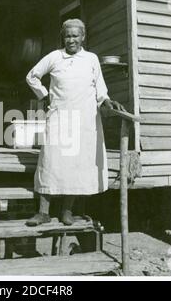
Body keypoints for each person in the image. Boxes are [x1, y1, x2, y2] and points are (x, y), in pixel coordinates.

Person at [25, 18, 125, 226]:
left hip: (84, 119)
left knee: (75, 164)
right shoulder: (54, 56)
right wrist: (44, 96)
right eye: (68, 35)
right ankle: (43, 212)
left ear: (83, 37)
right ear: (63, 36)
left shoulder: (91, 59)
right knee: (50, 162)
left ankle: (66, 212)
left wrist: (107, 101)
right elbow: (32, 76)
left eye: (75, 35)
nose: (71, 40)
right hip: (59, 117)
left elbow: (100, 88)